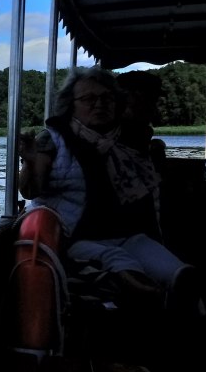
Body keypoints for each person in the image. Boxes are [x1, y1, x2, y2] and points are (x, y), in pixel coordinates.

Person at [17, 66, 189, 304]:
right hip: (73, 238)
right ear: (71, 105)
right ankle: (156, 304)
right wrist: (29, 160)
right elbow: (30, 191)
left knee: (180, 273)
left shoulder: (128, 141)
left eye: (107, 97)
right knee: (122, 263)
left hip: (127, 235)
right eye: (89, 98)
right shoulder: (54, 139)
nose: (100, 104)